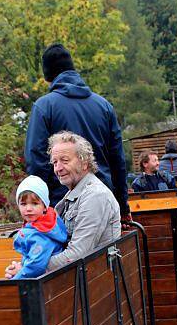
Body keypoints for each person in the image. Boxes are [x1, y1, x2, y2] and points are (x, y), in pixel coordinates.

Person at [25, 43, 131, 226]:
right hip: (103, 202)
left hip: (62, 207)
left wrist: (39, 209)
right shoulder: (104, 106)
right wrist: (122, 206)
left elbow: (36, 162)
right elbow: (117, 161)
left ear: (48, 77)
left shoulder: (44, 107)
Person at [6, 132, 121, 278]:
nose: (58, 168)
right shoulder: (72, 194)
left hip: (95, 281)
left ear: (84, 162)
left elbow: (77, 254)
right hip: (76, 279)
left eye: (64, 161)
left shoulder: (95, 196)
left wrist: (26, 269)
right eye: (54, 162)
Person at [6, 175, 67, 280]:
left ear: (44, 206)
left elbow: (36, 266)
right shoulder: (38, 224)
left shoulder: (42, 233)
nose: (28, 208)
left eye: (34, 203)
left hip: (45, 281)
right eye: (23, 204)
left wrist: (15, 280)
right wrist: (19, 267)